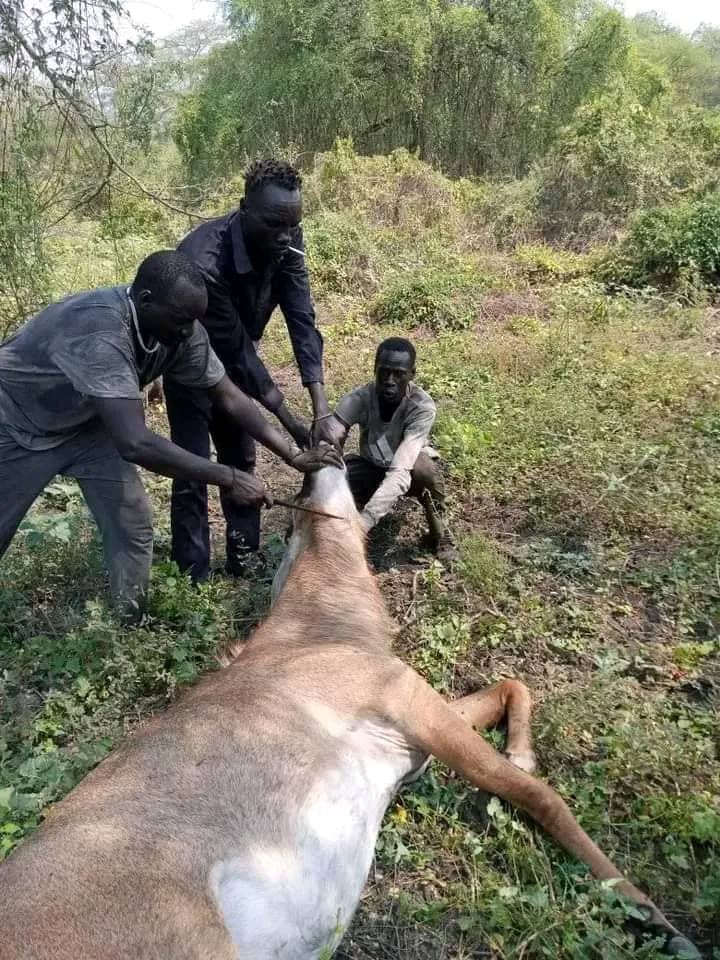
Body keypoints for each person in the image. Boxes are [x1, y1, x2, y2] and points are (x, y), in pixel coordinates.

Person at [0, 250, 341, 617]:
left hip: (86, 424)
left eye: (193, 321)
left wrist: (292, 454)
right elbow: (135, 442)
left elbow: (228, 395)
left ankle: (126, 626)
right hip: (16, 424)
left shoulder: (183, 331)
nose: (187, 332)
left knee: (132, 524)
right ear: (146, 301)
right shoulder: (101, 331)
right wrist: (228, 477)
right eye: (180, 321)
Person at [166, 158, 344, 581]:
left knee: (241, 458)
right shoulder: (204, 260)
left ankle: (243, 561)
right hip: (189, 368)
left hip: (238, 367)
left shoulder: (288, 240)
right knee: (191, 466)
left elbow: (302, 319)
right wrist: (292, 423)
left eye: (293, 225)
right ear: (244, 208)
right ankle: (192, 578)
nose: (285, 236)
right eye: (275, 226)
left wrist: (320, 411)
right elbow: (238, 352)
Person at [329, 337, 456, 561]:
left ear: (412, 374)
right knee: (335, 472)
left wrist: (364, 522)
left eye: (398, 374)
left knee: (425, 469)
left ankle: (441, 536)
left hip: (408, 470)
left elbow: (400, 471)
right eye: (384, 372)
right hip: (372, 465)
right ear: (374, 370)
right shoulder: (359, 398)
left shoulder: (421, 406)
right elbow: (331, 434)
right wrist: (331, 451)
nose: (390, 381)